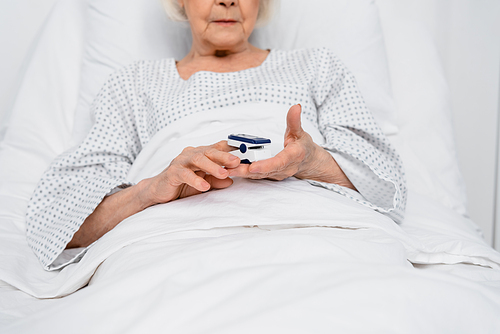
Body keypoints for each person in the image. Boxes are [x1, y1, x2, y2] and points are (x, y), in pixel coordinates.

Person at [26, 0, 407, 270]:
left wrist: (313, 162)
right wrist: (151, 189)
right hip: (172, 246)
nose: (227, 1)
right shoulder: (134, 85)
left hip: (317, 234)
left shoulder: (315, 67)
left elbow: (388, 187)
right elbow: (61, 223)